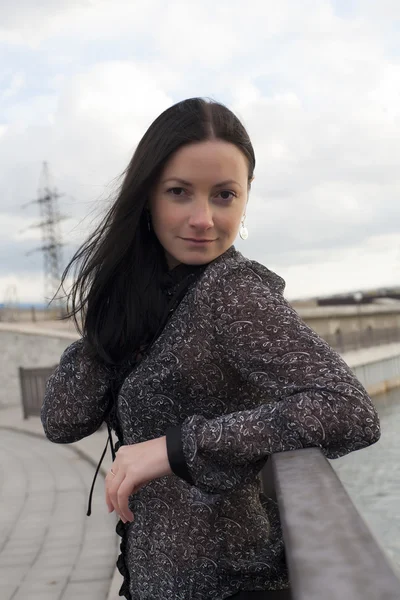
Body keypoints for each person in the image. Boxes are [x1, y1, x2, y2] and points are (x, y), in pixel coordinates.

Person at [41, 97, 381, 600]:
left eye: (224, 195)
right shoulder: (148, 294)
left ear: (246, 199)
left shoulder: (231, 290)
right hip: (154, 582)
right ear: (147, 197)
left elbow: (350, 410)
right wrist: (113, 311)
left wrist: (177, 447)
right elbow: (62, 419)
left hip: (229, 586)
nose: (202, 218)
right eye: (179, 192)